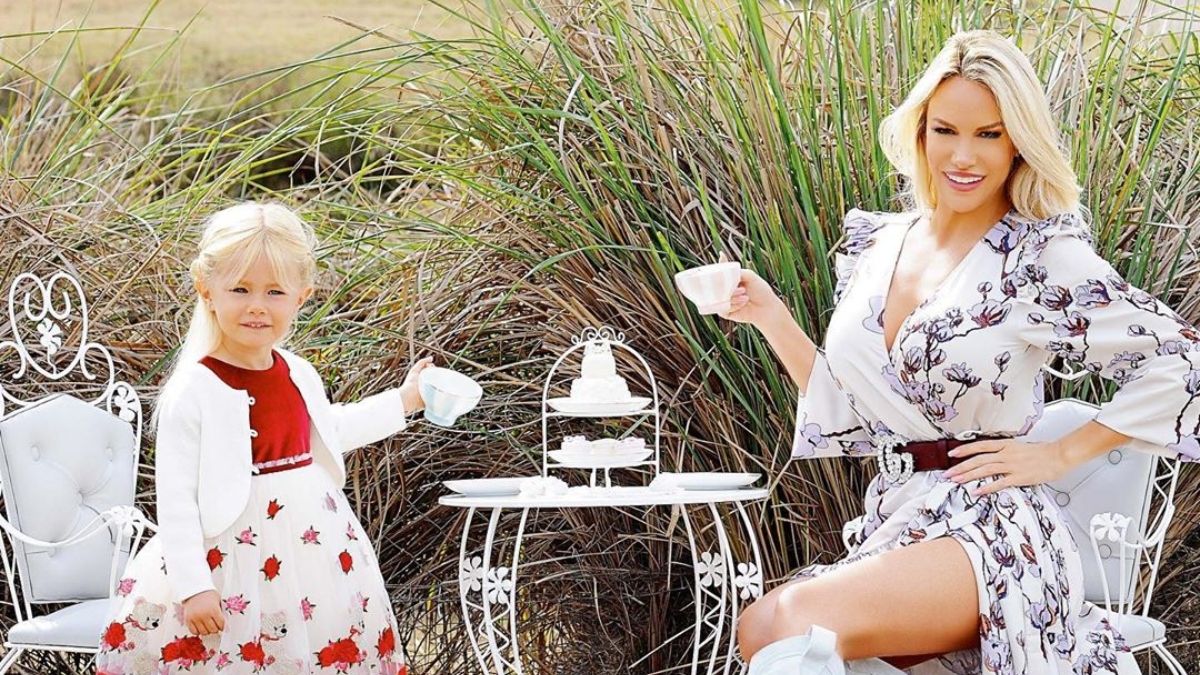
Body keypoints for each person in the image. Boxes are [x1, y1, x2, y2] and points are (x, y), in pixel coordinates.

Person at [721, 30, 1198, 674]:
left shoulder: (1036, 256)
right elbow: (854, 416)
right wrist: (770, 317)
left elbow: (1181, 362)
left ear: (1018, 142)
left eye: (989, 134)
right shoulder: (877, 246)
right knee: (759, 625)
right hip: (900, 517)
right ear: (920, 132)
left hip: (994, 531)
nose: (964, 155)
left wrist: (1058, 454)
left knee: (792, 619)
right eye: (945, 130)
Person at [95, 202, 431, 674]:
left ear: (301, 297)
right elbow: (176, 500)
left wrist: (404, 400)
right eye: (240, 289)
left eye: (275, 291)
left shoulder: (299, 371)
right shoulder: (194, 389)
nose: (257, 305)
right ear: (206, 289)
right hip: (230, 560)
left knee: (309, 648)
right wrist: (194, 586)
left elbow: (330, 429)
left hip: (311, 548)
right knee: (237, 654)